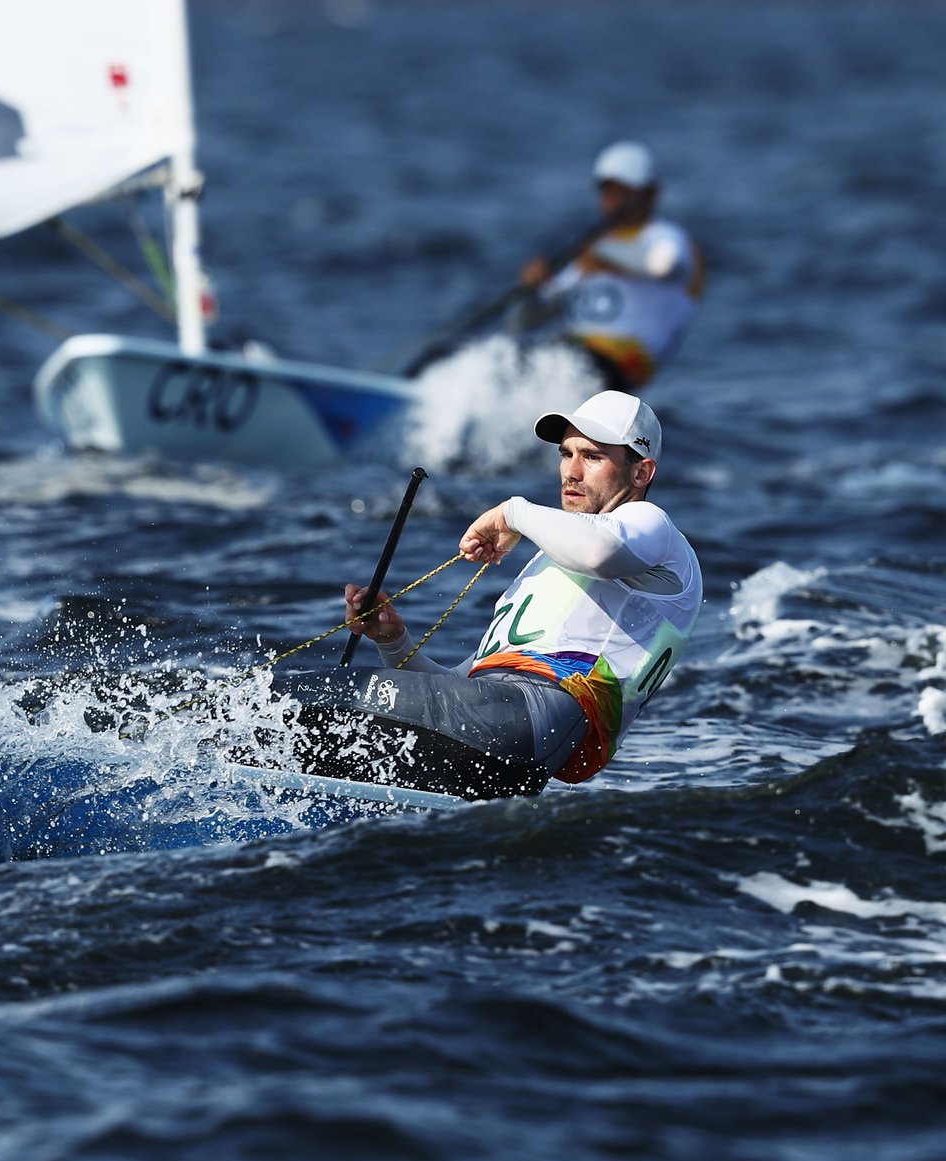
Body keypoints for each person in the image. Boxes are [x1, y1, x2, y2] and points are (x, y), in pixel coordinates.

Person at [280, 389, 702, 799]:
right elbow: (454, 688)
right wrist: (394, 642)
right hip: (506, 735)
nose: (571, 471)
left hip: (532, 721)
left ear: (641, 473)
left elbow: (600, 549)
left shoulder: (652, 527)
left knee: (280, 702)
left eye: (592, 456)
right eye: (565, 453)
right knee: (301, 712)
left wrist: (512, 511)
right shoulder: (551, 562)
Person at [517, 141, 705, 392]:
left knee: (562, 364)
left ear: (650, 194)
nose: (614, 202)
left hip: (622, 363)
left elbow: (663, 265)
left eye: (624, 193)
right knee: (512, 358)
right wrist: (532, 289)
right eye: (608, 193)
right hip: (572, 352)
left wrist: (605, 258)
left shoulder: (666, 237)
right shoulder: (593, 249)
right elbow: (525, 322)